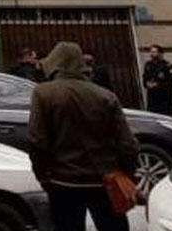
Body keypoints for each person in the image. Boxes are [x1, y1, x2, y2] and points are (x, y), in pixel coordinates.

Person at [29, 42, 138, 231]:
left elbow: (37, 141)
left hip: (63, 181)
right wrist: (125, 173)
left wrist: (43, 175)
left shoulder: (43, 93)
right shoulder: (105, 96)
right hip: (105, 180)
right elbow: (128, 144)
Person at [142, 45, 172, 116]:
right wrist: (147, 84)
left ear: (160, 53)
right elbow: (145, 78)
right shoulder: (148, 65)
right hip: (153, 97)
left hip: (165, 97)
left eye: (154, 52)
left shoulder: (168, 66)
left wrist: (158, 84)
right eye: (151, 52)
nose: (152, 54)